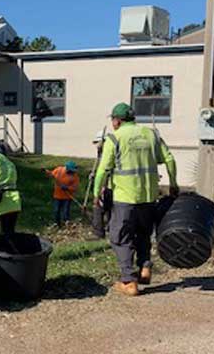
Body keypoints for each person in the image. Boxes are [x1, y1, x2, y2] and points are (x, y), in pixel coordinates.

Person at [93, 103, 178, 297]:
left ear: (117, 120)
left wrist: (96, 193)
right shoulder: (151, 134)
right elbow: (170, 159)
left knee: (120, 237)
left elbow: (103, 169)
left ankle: (129, 281)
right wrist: (173, 183)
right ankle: (145, 268)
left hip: (124, 199)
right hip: (148, 197)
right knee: (143, 234)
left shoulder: (114, 138)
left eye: (112, 120)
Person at [90, 130, 111, 239]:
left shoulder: (108, 153)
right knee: (105, 208)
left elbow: (105, 171)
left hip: (107, 186)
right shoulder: (101, 153)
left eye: (98, 142)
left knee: (99, 207)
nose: (96, 145)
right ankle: (105, 230)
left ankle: (99, 232)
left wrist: (100, 188)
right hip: (105, 185)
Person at [46, 161, 80, 226]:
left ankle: (66, 222)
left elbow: (75, 187)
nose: (72, 172)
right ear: (67, 169)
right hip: (57, 195)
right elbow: (52, 175)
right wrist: (47, 172)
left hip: (67, 197)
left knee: (65, 211)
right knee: (56, 210)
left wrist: (67, 188)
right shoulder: (59, 170)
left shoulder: (75, 176)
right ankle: (57, 223)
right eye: (71, 171)